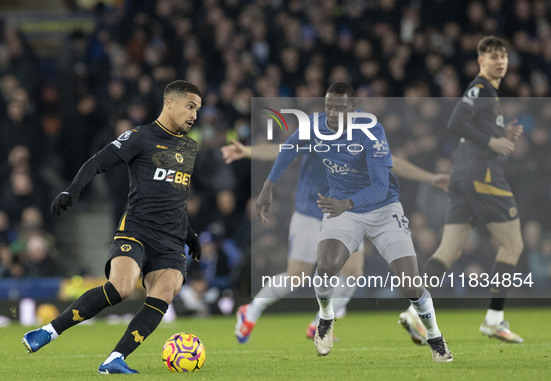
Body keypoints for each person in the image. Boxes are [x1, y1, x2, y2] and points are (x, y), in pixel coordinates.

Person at [255, 82, 453, 362]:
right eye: (329, 107)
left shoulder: (371, 131)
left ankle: (434, 336)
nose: (333, 113)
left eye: (340, 108)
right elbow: (289, 147)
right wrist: (268, 186)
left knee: (410, 284)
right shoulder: (315, 125)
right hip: (343, 209)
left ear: (353, 109)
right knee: (325, 266)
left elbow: (380, 187)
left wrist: (346, 203)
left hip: (382, 209)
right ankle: (325, 318)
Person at [22, 80, 203, 374]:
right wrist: (73, 190)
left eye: (198, 109)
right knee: (121, 287)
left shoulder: (190, 147)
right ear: (170, 103)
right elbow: (98, 161)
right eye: (190, 106)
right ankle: (49, 331)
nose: (195, 114)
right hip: (137, 229)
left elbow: (175, 195)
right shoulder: (140, 137)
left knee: (166, 292)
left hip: (171, 239)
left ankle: (115, 359)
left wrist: (189, 233)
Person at [224, 140, 449, 345]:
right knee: (297, 277)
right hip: (310, 213)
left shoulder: (364, 138)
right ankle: (251, 310)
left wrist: (430, 178)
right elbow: (283, 150)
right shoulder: (317, 134)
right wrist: (247, 151)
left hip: (345, 214)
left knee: (352, 273)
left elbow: (392, 162)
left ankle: (318, 325)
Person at [399, 35, 524, 344]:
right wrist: (493, 141)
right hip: (482, 176)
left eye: (504, 56)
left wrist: (498, 133)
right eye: (493, 56)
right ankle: (494, 320)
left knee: (448, 250)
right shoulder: (480, 88)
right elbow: (456, 121)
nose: (500, 61)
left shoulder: (488, 93)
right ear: (480, 61)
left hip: (461, 176)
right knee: (513, 245)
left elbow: (471, 129)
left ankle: (415, 312)